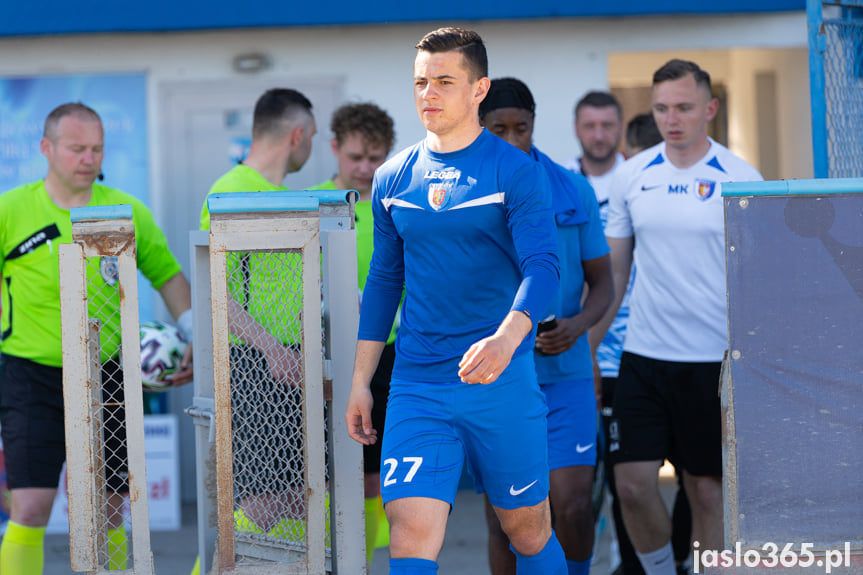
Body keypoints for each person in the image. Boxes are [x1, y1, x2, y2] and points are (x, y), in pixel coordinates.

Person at [345, 27, 568, 575]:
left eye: (445, 81)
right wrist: (359, 383)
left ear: (479, 89)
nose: (429, 93)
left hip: (501, 380)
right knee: (411, 530)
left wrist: (507, 337)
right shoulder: (393, 178)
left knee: (527, 529)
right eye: (421, 81)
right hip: (418, 383)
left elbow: (545, 268)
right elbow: (383, 282)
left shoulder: (514, 171)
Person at [0, 102, 194, 575]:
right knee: (30, 508)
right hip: (30, 375)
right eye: (76, 148)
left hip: (109, 374)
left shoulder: (126, 212)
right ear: (47, 149)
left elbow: (168, 277)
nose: (88, 158)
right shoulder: (11, 209)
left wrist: (196, 340)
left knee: (109, 507)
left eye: (97, 149)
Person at [598, 59, 763, 575]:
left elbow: (755, 282)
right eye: (662, 108)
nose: (673, 119)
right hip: (643, 358)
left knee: (707, 493)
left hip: (711, 363)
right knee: (631, 485)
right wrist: (588, 349)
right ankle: (661, 570)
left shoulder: (741, 178)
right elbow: (613, 279)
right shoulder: (633, 175)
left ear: (709, 109)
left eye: (685, 107)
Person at [478, 77, 613, 575]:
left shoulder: (572, 188)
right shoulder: (464, 195)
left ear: (534, 125)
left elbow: (603, 283)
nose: (512, 140)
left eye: (522, 128)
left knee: (572, 505)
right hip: (497, 380)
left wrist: (576, 326)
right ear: (479, 127)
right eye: (499, 130)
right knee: (505, 519)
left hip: (566, 378)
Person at [198, 87, 317, 541]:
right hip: (256, 367)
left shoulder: (282, 195)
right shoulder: (232, 192)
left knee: (300, 500)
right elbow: (216, 291)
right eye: (313, 136)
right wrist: (272, 351)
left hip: (288, 364)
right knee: (262, 506)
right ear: (298, 134)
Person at [309, 101, 396, 564]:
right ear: (335, 149)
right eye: (356, 157)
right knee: (321, 472)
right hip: (326, 352)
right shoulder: (312, 204)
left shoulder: (396, 204)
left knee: (371, 473)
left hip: (386, 351)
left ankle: (358, 560)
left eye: (375, 157)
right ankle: (328, 557)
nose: (365, 168)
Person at [565, 91, 625, 206]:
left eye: (607, 125)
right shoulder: (558, 180)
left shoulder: (639, 176)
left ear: (621, 127)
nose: (599, 136)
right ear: (576, 129)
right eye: (589, 126)